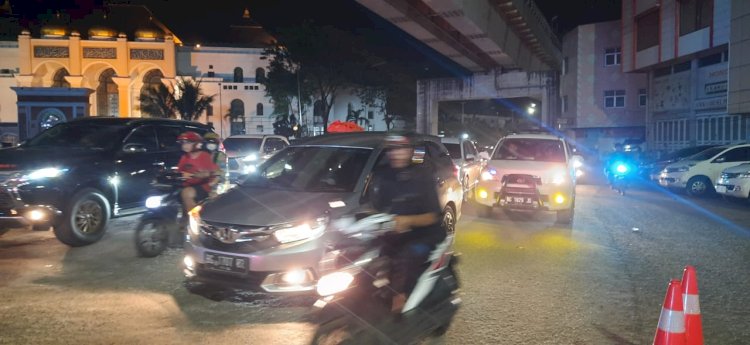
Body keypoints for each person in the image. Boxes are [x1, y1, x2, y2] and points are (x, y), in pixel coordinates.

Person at [370, 135, 445, 314]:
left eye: (400, 149)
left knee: (407, 257)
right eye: (392, 149)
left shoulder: (423, 176)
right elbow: (376, 206)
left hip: (426, 235)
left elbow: (434, 216)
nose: (396, 153)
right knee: (370, 255)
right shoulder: (384, 175)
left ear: (410, 151)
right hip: (396, 233)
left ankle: (400, 304)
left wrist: (407, 221)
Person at [176, 131, 219, 211]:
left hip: (205, 186)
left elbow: (210, 173)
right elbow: (179, 171)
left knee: (186, 193)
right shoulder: (185, 157)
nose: (185, 145)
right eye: (183, 143)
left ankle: (196, 218)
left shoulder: (204, 156)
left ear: (197, 144)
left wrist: (195, 175)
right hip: (188, 184)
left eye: (188, 143)